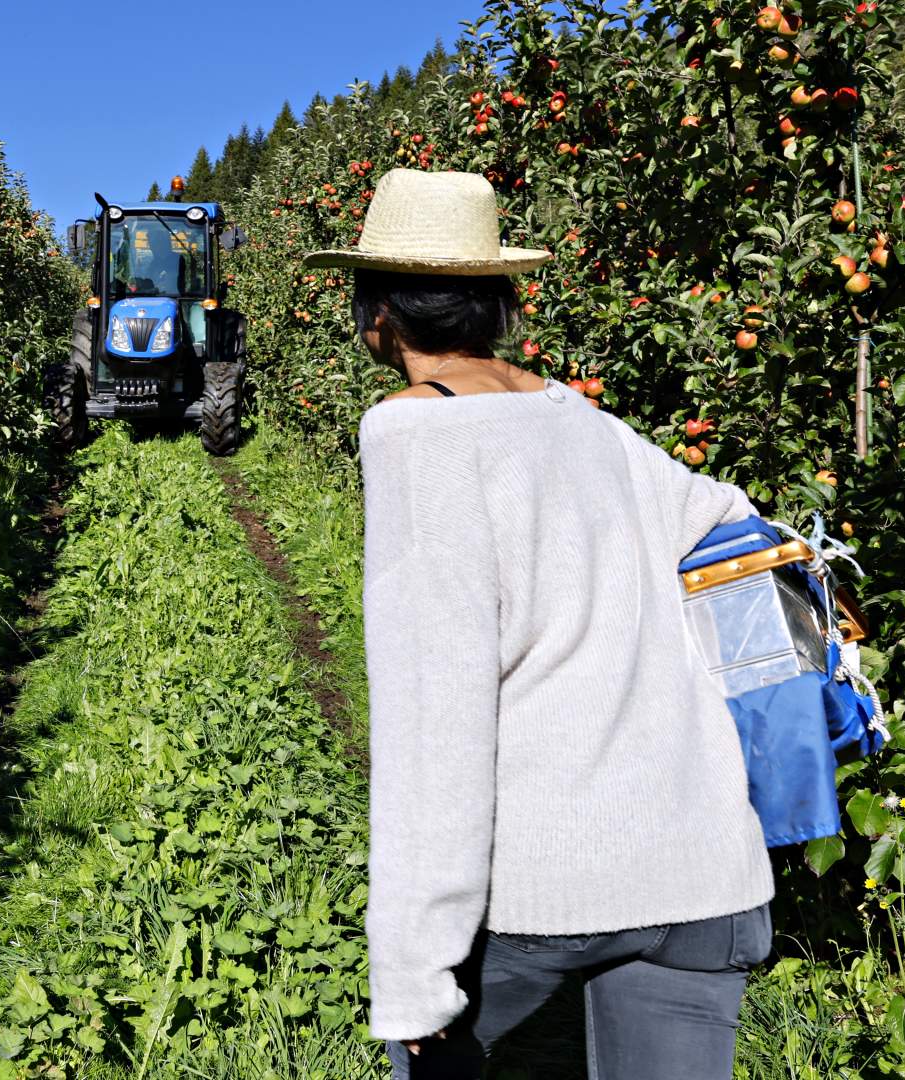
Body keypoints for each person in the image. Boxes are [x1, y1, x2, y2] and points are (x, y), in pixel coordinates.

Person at [303, 169, 774, 1079]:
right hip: (705, 869)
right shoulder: (582, 419)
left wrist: (415, 973)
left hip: (549, 888)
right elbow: (730, 520)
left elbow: (434, 720)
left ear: (379, 313)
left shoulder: (413, 434)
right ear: (497, 303)